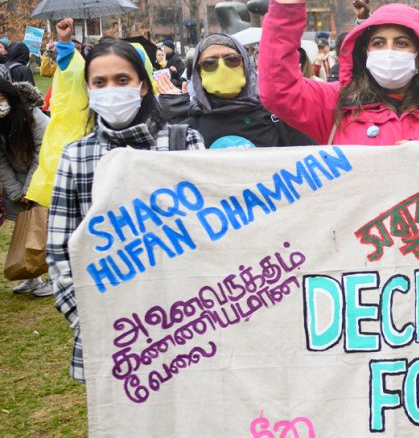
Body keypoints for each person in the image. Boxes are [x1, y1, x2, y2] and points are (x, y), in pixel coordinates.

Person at [47, 39, 204, 382]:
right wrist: (91, 320)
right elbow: (60, 252)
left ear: (143, 85)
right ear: (87, 89)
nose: (111, 90)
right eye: (100, 83)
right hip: (109, 334)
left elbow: (207, 237)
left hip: (186, 328)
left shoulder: (183, 143)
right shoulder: (76, 158)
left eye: (122, 80)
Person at [257, 0, 419, 145]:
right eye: (378, 43)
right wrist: (285, 14)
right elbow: (279, 91)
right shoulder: (337, 103)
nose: (389, 51)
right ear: (365, 52)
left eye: (401, 43)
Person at [156, 33, 315, 148]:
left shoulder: (275, 118)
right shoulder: (188, 127)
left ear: (246, 65)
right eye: (209, 63)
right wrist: (172, 117)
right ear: (198, 74)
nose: (222, 68)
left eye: (232, 60)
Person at [0, 78, 50, 296]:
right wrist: (15, 190)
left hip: (42, 177)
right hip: (18, 183)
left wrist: (31, 188)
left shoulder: (35, 118)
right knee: (25, 229)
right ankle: (33, 277)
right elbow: (1, 159)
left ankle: (55, 278)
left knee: (44, 229)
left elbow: (43, 153)